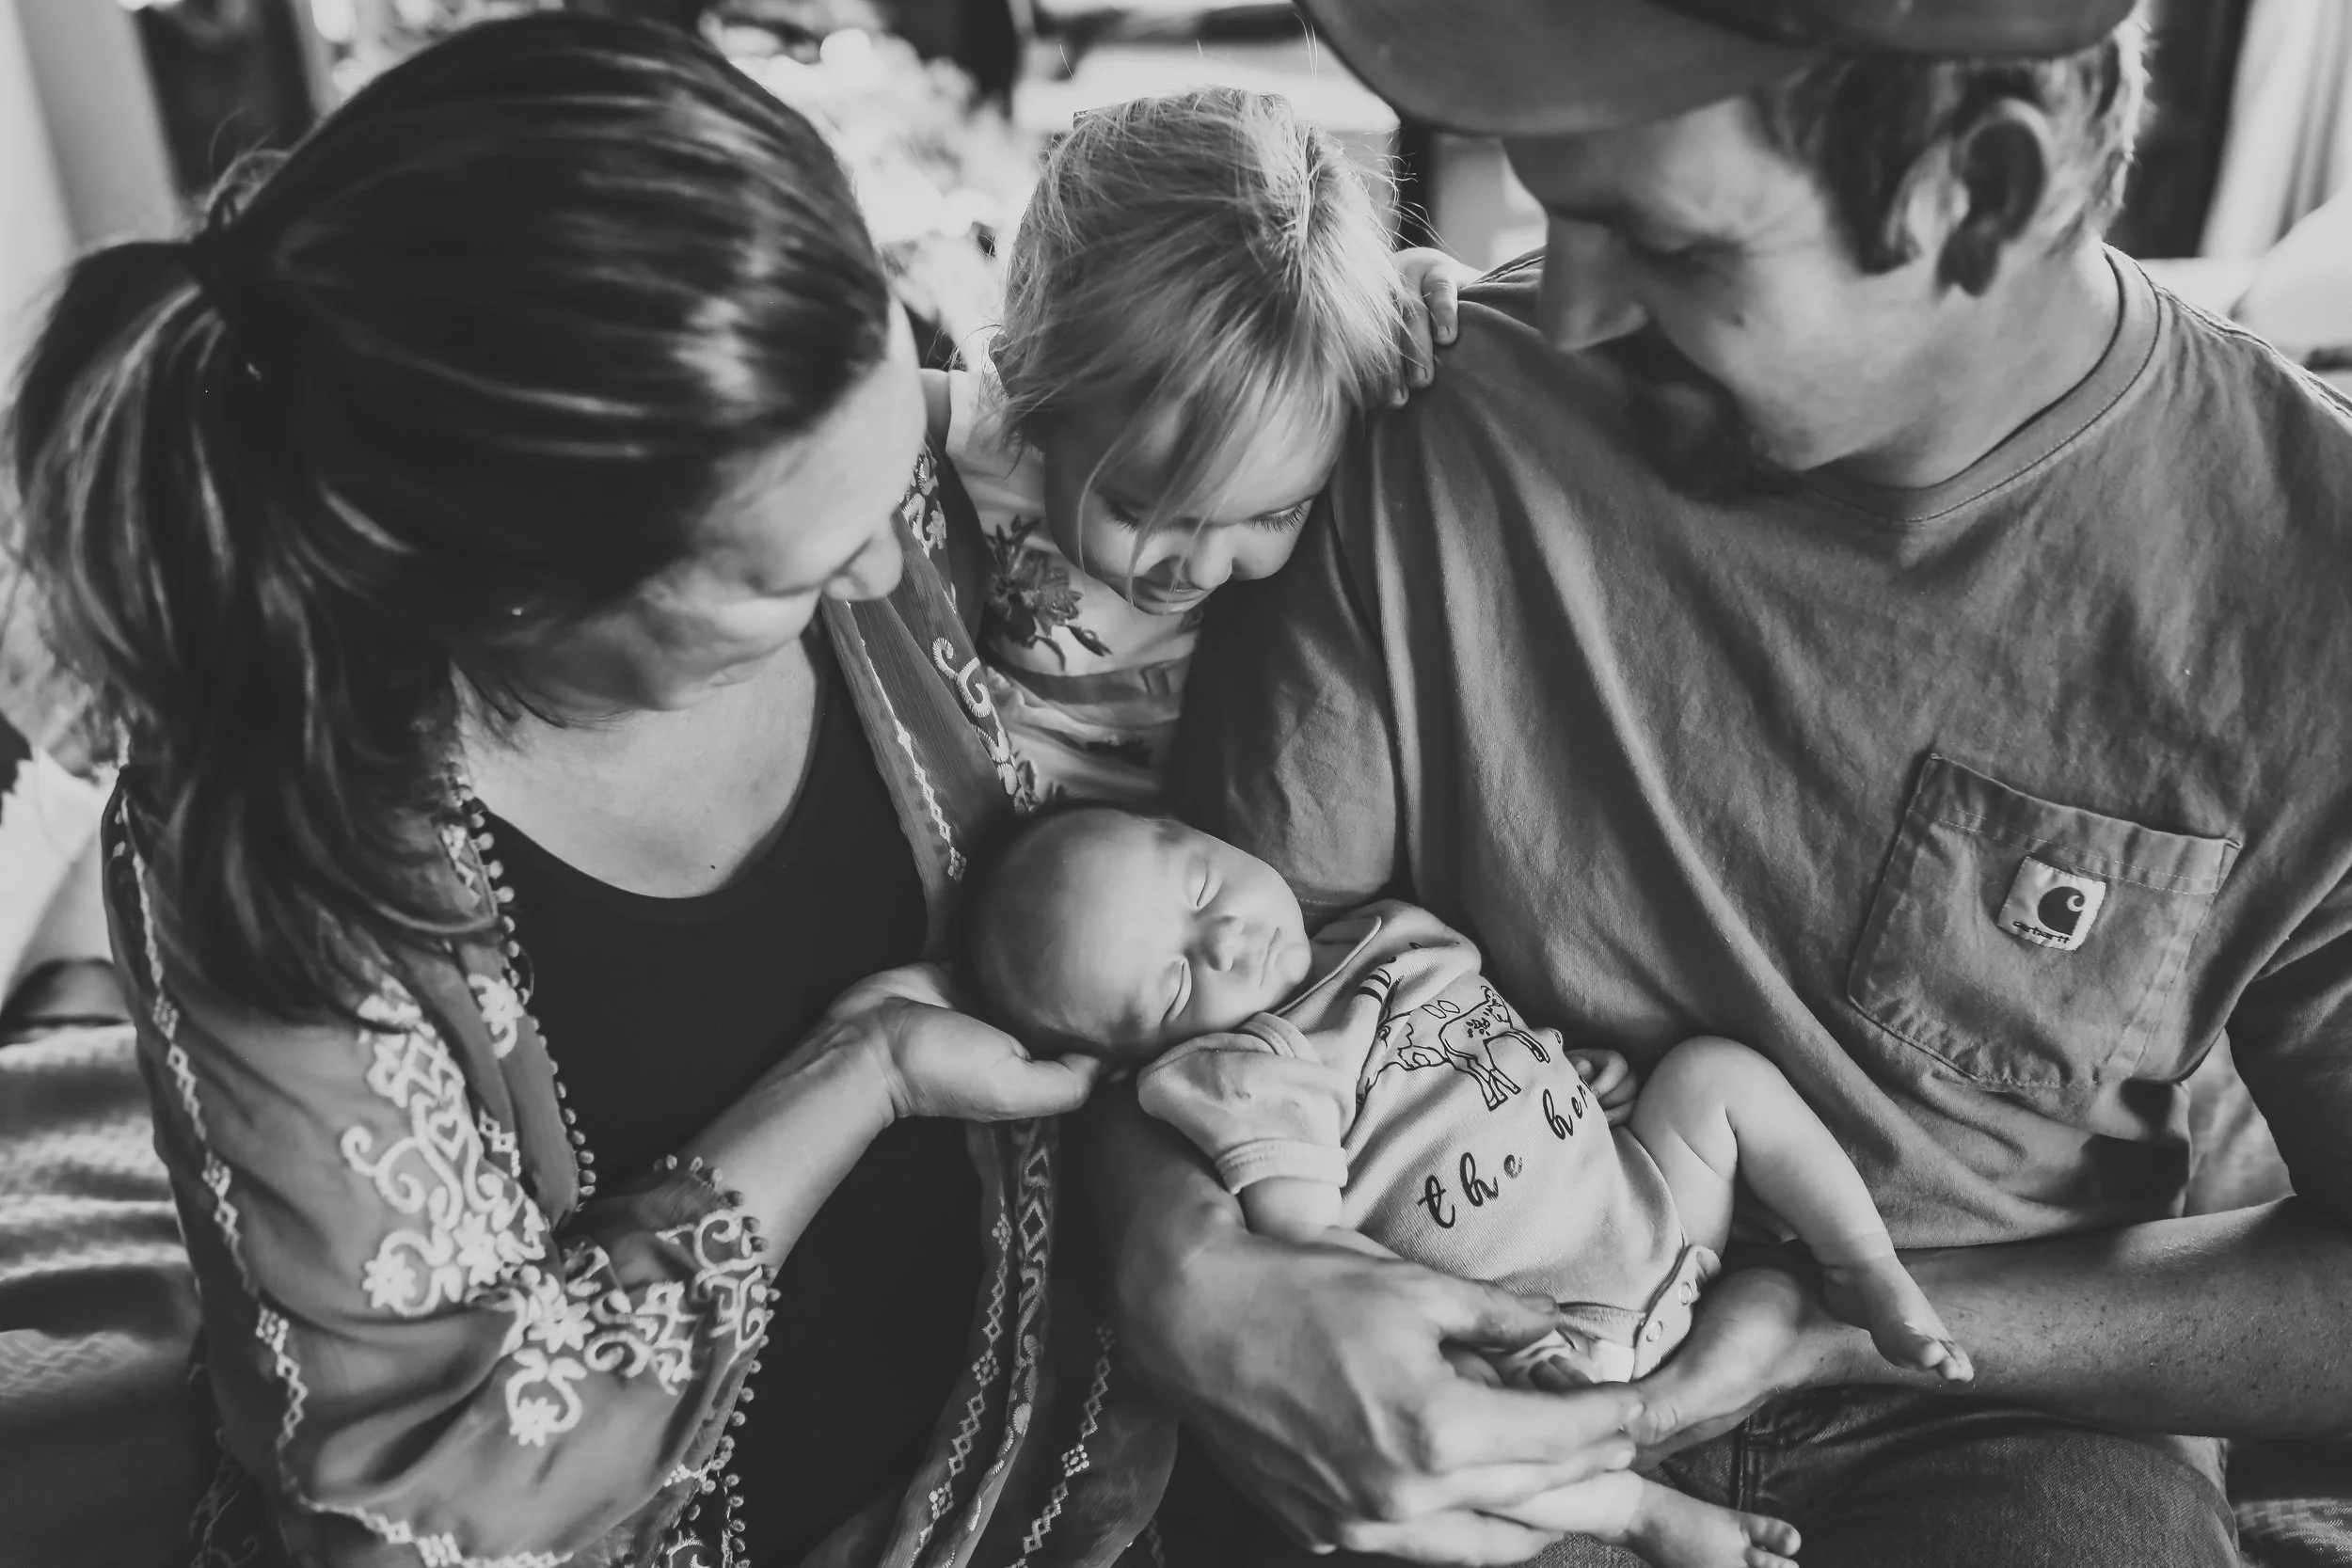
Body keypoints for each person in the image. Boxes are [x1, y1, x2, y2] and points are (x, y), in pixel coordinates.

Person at [1089, 1, 2352, 1564]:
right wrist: (1185, 1274)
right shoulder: (1437, 422)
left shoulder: (2312, 588)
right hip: (1461, 1329)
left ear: (1984, 193)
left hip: (1982, 1410)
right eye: (1559, 212)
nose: (1568, 309)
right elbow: (1202, 989)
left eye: (1670, 247)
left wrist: (1835, 1321)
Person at [7, 16, 1168, 1566]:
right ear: (519, 596)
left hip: (1033, 1459)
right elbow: (432, 1475)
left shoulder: (838, 466)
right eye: (796, 574)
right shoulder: (281, 861)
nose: (900, 567)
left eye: (892, 475)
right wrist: (855, 1076)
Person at [968, 803, 1986, 1567]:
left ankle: (1865, 1264)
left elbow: (1475, 1048)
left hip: (1657, 1218)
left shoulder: (1378, 937)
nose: (1228, 938)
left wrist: (1576, 1076)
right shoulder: (1247, 1071)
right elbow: (1314, 1252)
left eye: (1197, 889)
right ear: (1142, 1050)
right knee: (1453, 1428)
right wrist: (1495, 1337)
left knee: (1712, 1077)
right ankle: (1641, 1510)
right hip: (1547, 1345)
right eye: (1179, 983)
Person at [939, 86, 1474, 806]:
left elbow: (1437, 376)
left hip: (1198, 860)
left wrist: (1436, 293)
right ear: (1027, 402)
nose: (1207, 565)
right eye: (1141, 513)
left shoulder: (1316, 411)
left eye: (1274, 516)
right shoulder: (971, 432)